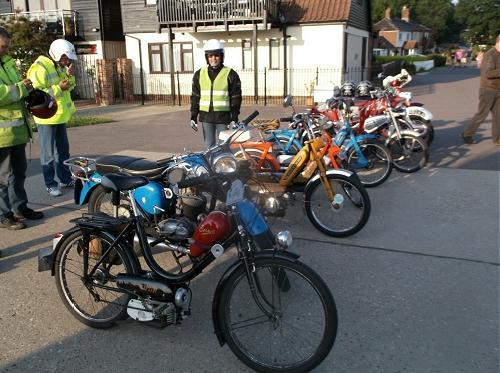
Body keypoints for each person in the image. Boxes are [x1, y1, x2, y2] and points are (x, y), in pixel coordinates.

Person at [0, 26, 43, 231]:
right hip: (1, 135)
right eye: (2, 46)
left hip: (17, 131)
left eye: (7, 46)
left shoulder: (8, 63)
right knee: (2, 178)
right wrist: (19, 88)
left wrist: (26, 88)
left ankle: (19, 208)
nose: (6, 50)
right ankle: (3, 215)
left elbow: (16, 89)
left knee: (18, 174)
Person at [27, 39, 77, 197]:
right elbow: (35, 95)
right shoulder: (39, 67)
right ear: (56, 54)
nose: (66, 62)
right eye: (64, 59)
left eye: (67, 59)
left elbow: (68, 88)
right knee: (48, 153)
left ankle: (65, 178)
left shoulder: (58, 66)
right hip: (46, 117)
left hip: (59, 115)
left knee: (63, 151)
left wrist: (70, 78)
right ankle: (50, 184)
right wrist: (58, 88)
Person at [190, 39, 242, 149]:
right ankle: (211, 166)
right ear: (207, 57)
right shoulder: (199, 74)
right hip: (206, 117)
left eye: (216, 55)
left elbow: (236, 98)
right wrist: (193, 116)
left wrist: (234, 118)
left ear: (221, 56)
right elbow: (195, 97)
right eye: (210, 56)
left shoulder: (230, 74)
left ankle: (224, 166)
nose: (213, 58)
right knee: (209, 147)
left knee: (223, 147)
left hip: (223, 118)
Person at [461, 34, 500, 145]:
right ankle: (467, 134)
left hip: (498, 89)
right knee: (482, 114)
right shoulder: (490, 55)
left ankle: (497, 139)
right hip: (488, 90)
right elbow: (488, 73)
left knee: (498, 116)